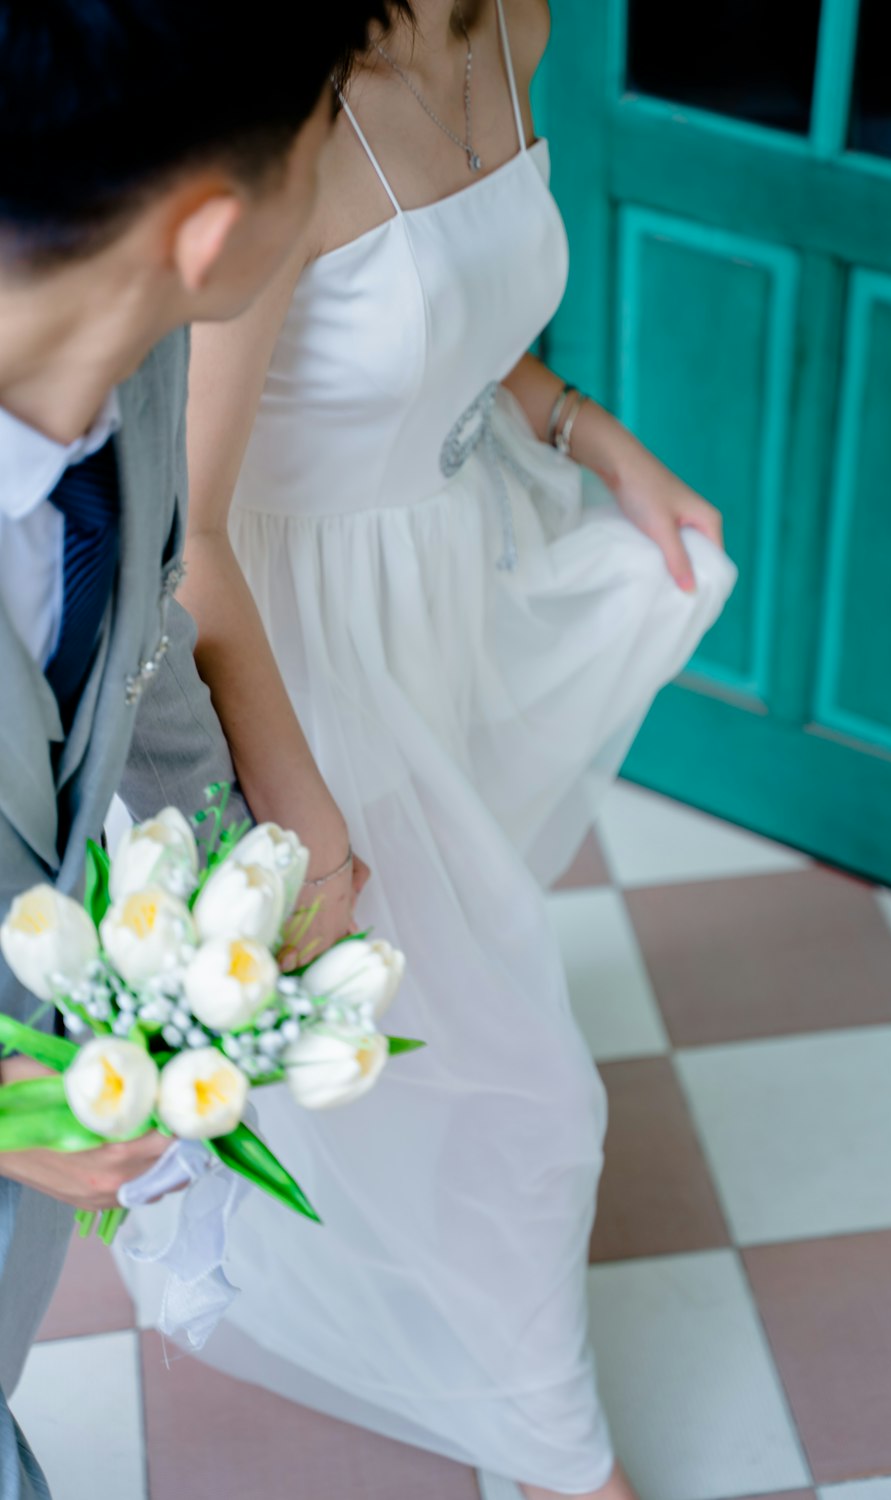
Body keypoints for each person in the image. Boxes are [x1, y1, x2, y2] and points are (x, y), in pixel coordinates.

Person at [135, 2, 736, 1495]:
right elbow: (190, 540)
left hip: (446, 585)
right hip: (298, 646)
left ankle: (327, 1214)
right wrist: (305, 819)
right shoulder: (285, 106)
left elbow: (469, 320)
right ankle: (565, 1461)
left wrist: (594, 435)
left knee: (414, 1026)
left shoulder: (513, 22)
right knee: (528, 1085)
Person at [0, 2, 394, 1494]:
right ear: (212, 230)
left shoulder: (138, 358)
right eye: (324, 130)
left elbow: (136, 615)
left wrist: (256, 842)